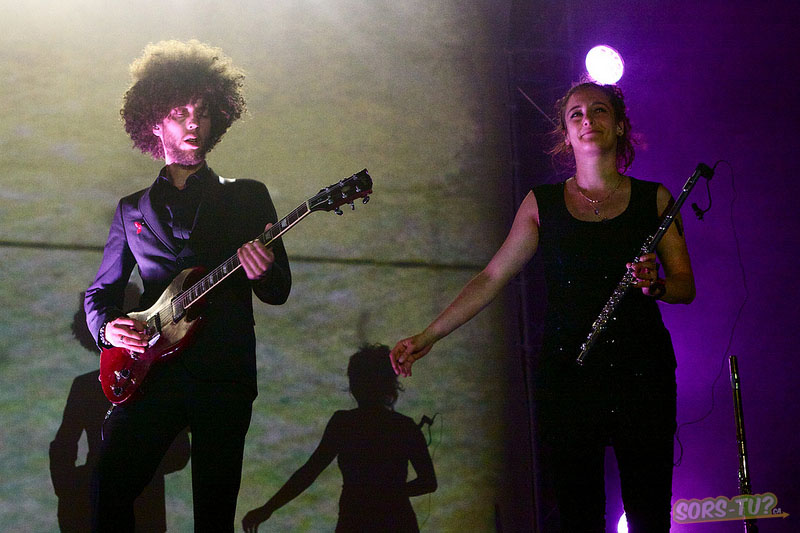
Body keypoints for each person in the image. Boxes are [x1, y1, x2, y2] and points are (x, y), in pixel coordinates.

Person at [390, 81, 695, 532]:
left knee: (649, 515)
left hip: (642, 374)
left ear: (619, 125)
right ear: (566, 135)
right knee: (579, 517)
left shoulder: (657, 198)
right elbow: (492, 277)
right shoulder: (542, 203)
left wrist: (657, 287)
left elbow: (685, 286)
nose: (588, 119)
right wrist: (429, 335)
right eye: (576, 115)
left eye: (599, 110)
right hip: (569, 377)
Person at [84, 40, 291, 532]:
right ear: (155, 122)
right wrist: (110, 330)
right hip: (152, 371)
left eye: (202, 112)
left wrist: (262, 270)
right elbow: (101, 295)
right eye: (179, 113)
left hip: (224, 374)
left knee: (213, 517)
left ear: (218, 117)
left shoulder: (248, 197)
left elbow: (278, 289)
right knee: (108, 489)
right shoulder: (130, 209)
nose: (193, 123)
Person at [241, 344, 437, 532]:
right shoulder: (405, 427)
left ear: (354, 385)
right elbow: (428, 482)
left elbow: (309, 472)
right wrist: (391, 493)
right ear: (389, 384)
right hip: (398, 523)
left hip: (354, 523)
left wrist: (268, 509)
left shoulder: (343, 424)